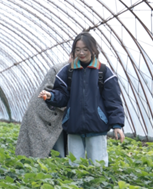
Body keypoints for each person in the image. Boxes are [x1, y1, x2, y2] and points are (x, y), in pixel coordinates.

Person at [39, 32, 125, 166]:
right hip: (74, 125)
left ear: (93, 50)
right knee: (74, 165)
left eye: (85, 49)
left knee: (98, 165)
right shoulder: (67, 72)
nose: (81, 53)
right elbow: (62, 96)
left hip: (97, 126)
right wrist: (51, 96)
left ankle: (98, 186)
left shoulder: (103, 71)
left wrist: (117, 125)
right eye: (77, 50)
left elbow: (113, 100)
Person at [15, 58, 71, 158]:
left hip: (60, 118)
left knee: (57, 152)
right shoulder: (58, 69)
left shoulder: (85, 72)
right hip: (44, 114)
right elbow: (48, 90)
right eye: (76, 52)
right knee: (37, 150)